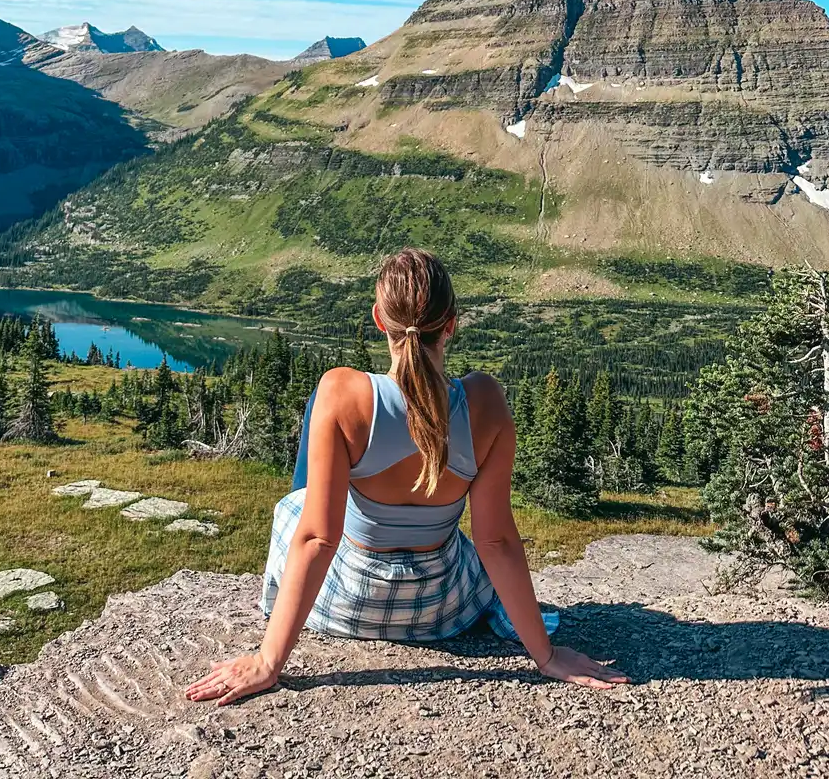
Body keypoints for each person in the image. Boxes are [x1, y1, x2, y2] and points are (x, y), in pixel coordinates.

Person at [187, 248, 628, 705]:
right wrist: (547, 655)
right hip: (441, 609)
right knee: (459, 540)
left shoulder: (343, 394)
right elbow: (496, 543)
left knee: (297, 506)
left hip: (346, 605)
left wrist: (267, 662)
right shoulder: (486, 403)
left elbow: (318, 538)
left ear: (380, 319)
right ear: (451, 324)